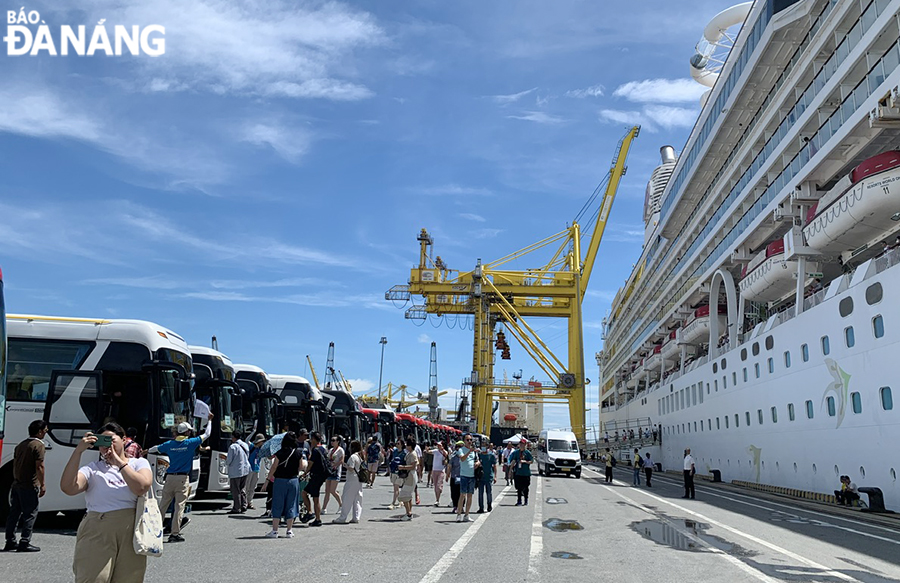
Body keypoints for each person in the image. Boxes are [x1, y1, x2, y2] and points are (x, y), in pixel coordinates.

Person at [61, 422, 153, 583]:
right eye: (102, 441)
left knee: (129, 578)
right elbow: (68, 488)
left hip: (130, 529)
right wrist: (78, 451)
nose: (106, 446)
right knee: (93, 578)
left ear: (124, 440)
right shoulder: (92, 468)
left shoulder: (138, 463)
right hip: (98, 526)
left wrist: (118, 462)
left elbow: (141, 487)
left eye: (110, 440)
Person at [149, 413, 213, 542]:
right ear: (187, 432)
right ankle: (174, 534)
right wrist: (210, 421)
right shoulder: (190, 442)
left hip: (169, 478)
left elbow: (153, 449)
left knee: (163, 505)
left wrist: (145, 451)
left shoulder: (169, 444)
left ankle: (155, 531)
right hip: (182, 479)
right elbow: (207, 434)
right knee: (179, 507)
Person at [4, 420, 48, 553]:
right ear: (40, 432)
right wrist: (43, 484)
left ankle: (10, 541)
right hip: (29, 484)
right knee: (30, 513)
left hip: (17, 483)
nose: (46, 433)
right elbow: (39, 466)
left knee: (14, 513)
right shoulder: (38, 445)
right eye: (45, 431)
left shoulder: (21, 445)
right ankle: (25, 541)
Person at [265, 432, 303, 538]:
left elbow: (274, 467)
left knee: (277, 504)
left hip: (280, 480)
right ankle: (289, 530)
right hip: (293, 480)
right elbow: (300, 467)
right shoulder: (298, 453)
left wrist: (268, 480)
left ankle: (275, 531)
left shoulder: (280, 452)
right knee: (291, 504)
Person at [301, 431, 328, 527]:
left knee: (313, 497)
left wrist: (304, 473)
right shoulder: (323, 449)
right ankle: (311, 513)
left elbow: (310, 464)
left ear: (313, 439)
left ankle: (316, 517)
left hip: (316, 476)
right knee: (307, 494)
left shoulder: (316, 450)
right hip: (320, 476)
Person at [334, 440, 364, 524]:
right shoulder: (359, 456)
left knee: (347, 498)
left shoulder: (352, 457)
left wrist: (345, 465)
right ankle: (356, 517)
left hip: (352, 479)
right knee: (357, 499)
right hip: (358, 479)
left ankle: (342, 517)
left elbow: (351, 468)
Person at [455, 434, 480, 522]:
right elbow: (462, 459)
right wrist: (469, 451)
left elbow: (477, 460)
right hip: (464, 475)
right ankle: (458, 514)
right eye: (467, 440)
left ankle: (467, 514)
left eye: (470, 440)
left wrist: (477, 463)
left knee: (470, 496)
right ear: (464, 441)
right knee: (462, 495)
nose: (469, 442)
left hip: (472, 476)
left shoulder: (475, 451)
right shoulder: (461, 450)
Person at [225, 430, 250, 514]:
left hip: (236, 471)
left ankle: (236, 508)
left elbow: (229, 460)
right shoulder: (245, 445)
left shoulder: (233, 447)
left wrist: (225, 460)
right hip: (245, 469)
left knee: (235, 490)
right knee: (242, 488)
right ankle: (244, 505)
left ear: (233, 437)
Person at [398, 437, 419, 521]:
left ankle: (408, 513)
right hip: (408, 475)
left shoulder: (413, 454)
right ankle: (409, 512)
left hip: (411, 475)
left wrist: (403, 467)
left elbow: (413, 466)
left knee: (403, 494)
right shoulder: (409, 453)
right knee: (408, 495)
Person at [322, 436, 344, 515]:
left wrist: (335, 465)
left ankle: (341, 505)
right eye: (331, 440)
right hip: (329, 471)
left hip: (336, 471)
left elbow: (341, 460)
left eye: (334, 440)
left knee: (332, 490)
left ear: (338, 441)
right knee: (327, 491)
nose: (332, 442)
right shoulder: (330, 450)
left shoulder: (340, 450)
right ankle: (324, 508)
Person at [509, 440, 532, 506]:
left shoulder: (527, 453)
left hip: (526, 473)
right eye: (520, 444)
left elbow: (531, 461)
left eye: (523, 444)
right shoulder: (516, 452)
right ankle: (519, 501)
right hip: (518, 473)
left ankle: (526, 500)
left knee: (526, 487)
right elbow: (513, 461)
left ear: (525, 445)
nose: (521, 445)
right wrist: (510, 471)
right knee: (519, 488)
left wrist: (525, 461)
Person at [245, 434, 265, 510]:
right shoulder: (251, 446)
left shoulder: (261, 449)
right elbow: (247, 440)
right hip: (249, 469)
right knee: (247, 486)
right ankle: (245, 502)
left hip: (257, 469)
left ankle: (250, 502)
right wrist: (253, 431)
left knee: (253, 487)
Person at [477, 444, 497, 513]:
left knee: (489, 492)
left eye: (485, 447)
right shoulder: (479, 455)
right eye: (482, 447)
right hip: (480, 477)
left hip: (489, 476)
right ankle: (481, 507)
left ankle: (489, 505)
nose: (483, 448)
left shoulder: (491, 455)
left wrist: (495, 476)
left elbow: (494, 466)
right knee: (480, 493)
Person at [388, 439, 406, 510]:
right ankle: (401, 501)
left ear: (402, 445)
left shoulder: (404, 453)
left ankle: (393, 503)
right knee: (396, 487)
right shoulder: (395, 451)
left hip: (399, 472)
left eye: (398, 443)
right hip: (393, 471)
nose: (397, 445)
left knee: (396, 487)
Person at [431, 441, 447, 507]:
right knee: (435, 485)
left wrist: (442, 449)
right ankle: (437, 499)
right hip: (434, 470)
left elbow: (446, 454)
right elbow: (429, 451)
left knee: (438, 485)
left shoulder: (444, 452)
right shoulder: (435, 451)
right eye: (438, 445)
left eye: (440, 445)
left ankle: (437, 499)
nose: (438, 446)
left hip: (441, 470)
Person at [449, 441, 461, 510]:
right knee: (454, 493)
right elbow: (450, 466)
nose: (458, 449)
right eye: (457, 447)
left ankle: (461, 507)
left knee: (461, 493)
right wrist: (448, 475)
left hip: (462, 477)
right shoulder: (453, 457)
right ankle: (455, 506)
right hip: (454, 477)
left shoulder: (465, 457)